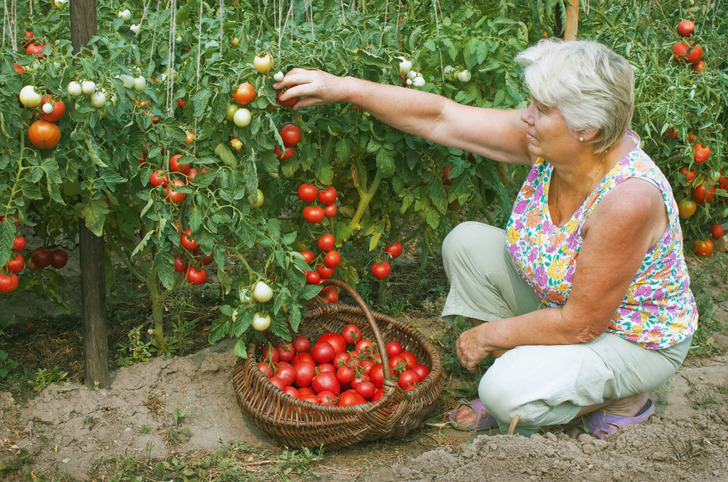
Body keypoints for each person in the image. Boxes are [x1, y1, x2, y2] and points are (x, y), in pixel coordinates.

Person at [274, 38, 698, 438]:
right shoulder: (556, 144)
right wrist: (344, 87)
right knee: (468, 243)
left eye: (541, 109)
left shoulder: (629, 200)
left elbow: (582, 323)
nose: (526, 116)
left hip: (631, 338)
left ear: (587, 128)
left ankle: (624, 398)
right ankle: (529, 373)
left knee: (503, 395)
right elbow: (442, 118)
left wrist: (487, 336)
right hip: (568, 308)